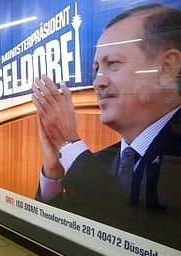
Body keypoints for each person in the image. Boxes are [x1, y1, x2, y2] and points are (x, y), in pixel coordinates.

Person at [31, 3, 181, 248]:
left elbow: (135, 232)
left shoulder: (85, 164)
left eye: (113, 63)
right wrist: (53, 167)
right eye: (96, 68)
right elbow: (60, 232)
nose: (98, 81)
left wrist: (69, 143)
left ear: (166, 67)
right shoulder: (98, 163)